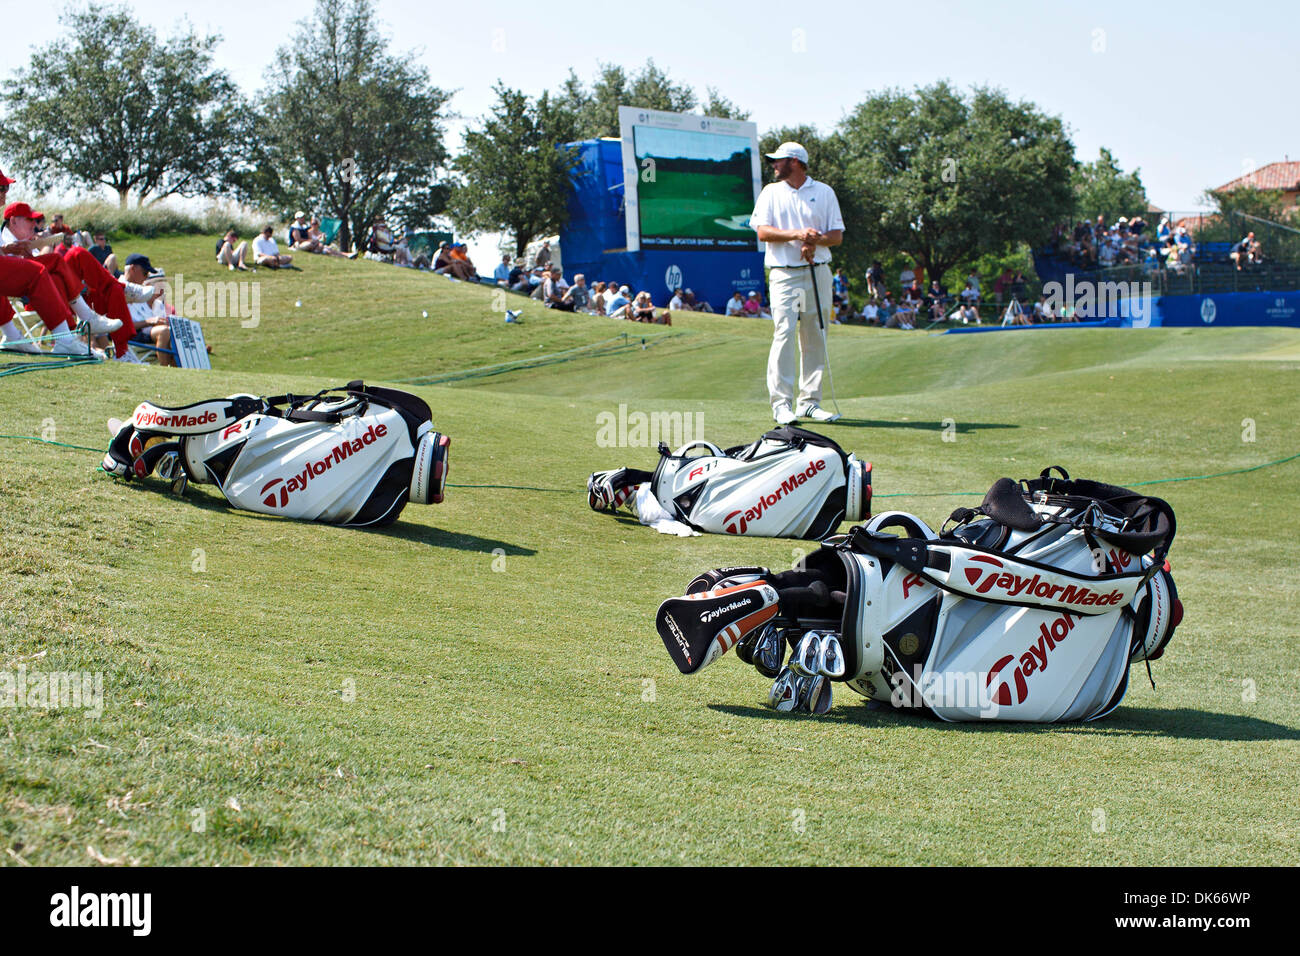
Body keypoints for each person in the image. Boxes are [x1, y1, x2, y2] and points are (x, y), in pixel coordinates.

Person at [749, 142, 843, 424]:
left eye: (779, 161)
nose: (774, 165)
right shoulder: (771, 192)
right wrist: (798, 235)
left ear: (795, 161)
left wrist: (815, 240)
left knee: (815, 334)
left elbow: (836, 236)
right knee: (784, 332)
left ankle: (810, 401)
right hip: (784, 273)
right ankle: (781, 404)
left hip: (818, 269)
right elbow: (763, 233)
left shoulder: (824, 192)